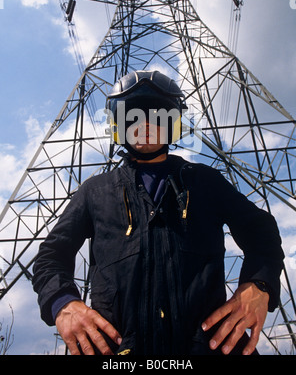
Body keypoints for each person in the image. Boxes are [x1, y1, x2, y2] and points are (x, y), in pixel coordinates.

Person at [32, 70, 284, 356]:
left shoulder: (205, 181)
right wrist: (63, 303)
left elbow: (261, 232)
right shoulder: (95, 191)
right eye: (132, 115)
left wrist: (260, 284)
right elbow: (50, 257)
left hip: (209, 348)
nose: (145, 123)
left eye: (158, 114)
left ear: (173, 124)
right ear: (118, 125)